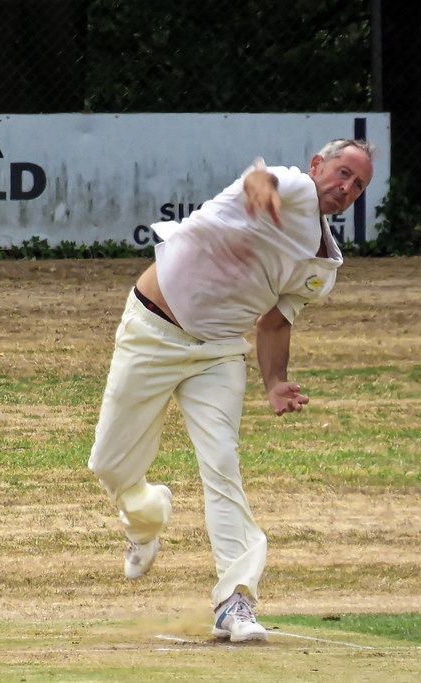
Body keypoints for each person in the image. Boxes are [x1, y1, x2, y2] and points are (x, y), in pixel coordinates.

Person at [87, 139, 375, 642]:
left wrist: (275, 381)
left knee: (222, 463)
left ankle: (235, 601)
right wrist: (260, 191)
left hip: (218, 352)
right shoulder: (291, 187)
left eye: (359, 185)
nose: (347, 187)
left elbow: (274, 323)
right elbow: (260, 180)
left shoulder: (322, 267)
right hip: (153, 330)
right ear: (317, 166)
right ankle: (145, 513)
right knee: (109, 464)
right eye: (343, 173)